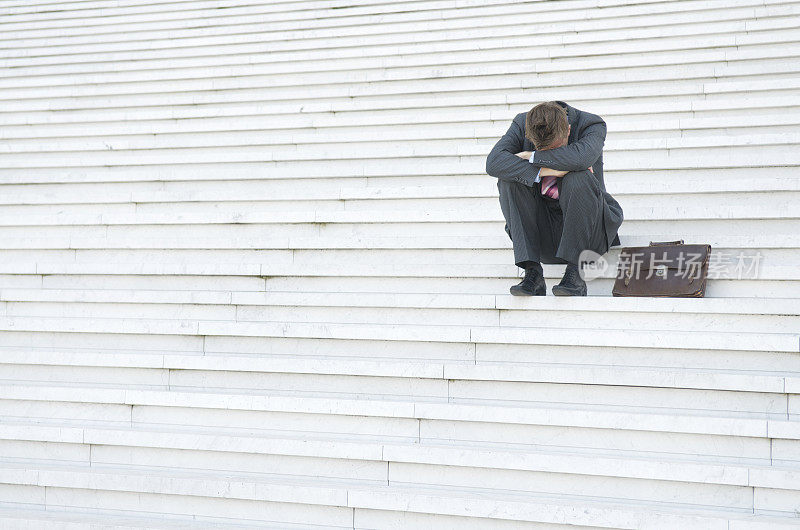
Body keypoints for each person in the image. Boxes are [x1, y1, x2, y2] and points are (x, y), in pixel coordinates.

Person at [485, 101, 624, 296]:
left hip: (589, 231)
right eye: (542, 150)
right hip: (543, 233)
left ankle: (575, 274)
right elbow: (494, 163)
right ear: (528, 134)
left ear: (568, 130)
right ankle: (532, 273)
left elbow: (582, 158)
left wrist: (532, 157)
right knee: (509, 180)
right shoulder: (521, 123)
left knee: (578, 176)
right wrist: (548, 170)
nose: (547, 154)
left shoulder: (591, 125)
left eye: (554, 149)